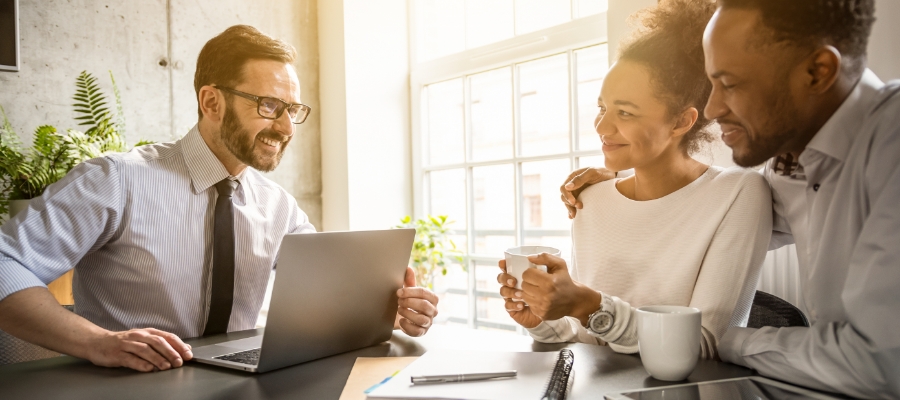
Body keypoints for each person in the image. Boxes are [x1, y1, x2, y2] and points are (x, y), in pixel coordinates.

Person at [0, 25, 438, 373]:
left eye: (293, 111)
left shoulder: (279, 207)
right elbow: (5, 264)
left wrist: (391, 312)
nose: (286, 128)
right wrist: (97, 341)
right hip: (127, 385)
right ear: (211, 101)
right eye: (269, 106)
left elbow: (331, 299)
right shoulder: (116, 180)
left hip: (238, 383)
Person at [561, 0, 900, 397]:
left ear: (817, 71)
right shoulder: (787, 167)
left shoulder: (889, 148)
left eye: (731, 83)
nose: (712, 107)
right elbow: (702, 208)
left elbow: (879, 364)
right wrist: (623, 184)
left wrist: (729, 340)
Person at [496, 0, 772, 360]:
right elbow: (587, 335)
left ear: (680, 122)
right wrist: (540, 317)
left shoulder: (738, 195)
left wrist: (588, 305)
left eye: (624, 112)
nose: (601, 127)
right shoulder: (590, 199)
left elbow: (704, 345)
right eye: (602, 108)